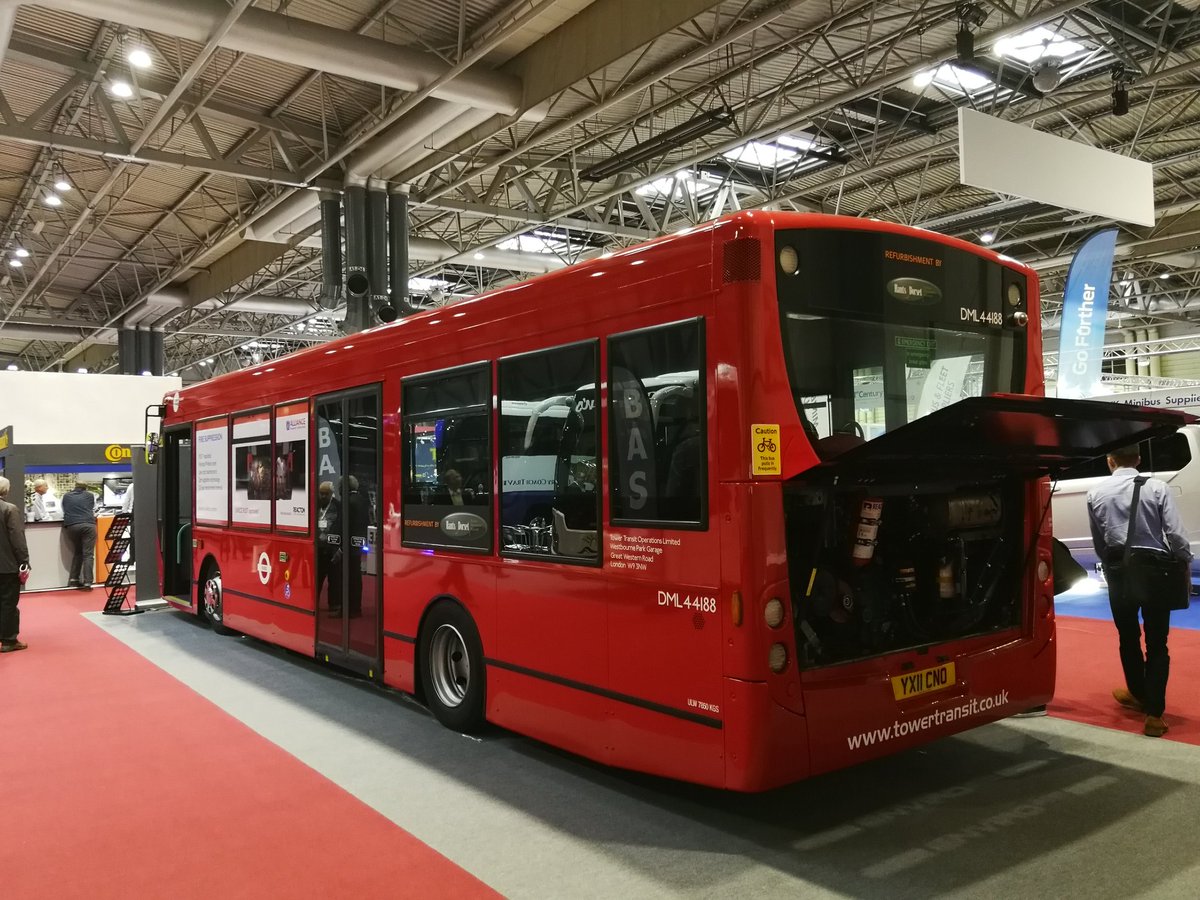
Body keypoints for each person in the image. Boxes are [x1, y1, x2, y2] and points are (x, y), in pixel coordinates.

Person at [1087, 445, 1192, 737]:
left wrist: (1111, 565)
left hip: (1118, 571)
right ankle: (1154, 715)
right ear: (1139, 459)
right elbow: (1174, 532)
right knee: (1158, 643)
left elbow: (1099, 542)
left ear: (1110, 461)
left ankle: (1138, 692)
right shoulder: (1157, 488)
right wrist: (1184, 560)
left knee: (1127, 636)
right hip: (1155, 571)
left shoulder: (1095, 493)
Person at [0, 476, 30, 652]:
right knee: (8, 603)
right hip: (7, 565)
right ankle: (9, 640)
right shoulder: (9, 509)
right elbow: (17, 539)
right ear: (6, 490)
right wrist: (24, 562)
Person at [61, 479, 97, 591]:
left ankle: (73, 579)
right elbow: (93, 508)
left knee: (78, 552)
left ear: (75, 486)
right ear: (85, 487)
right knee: (88, 554)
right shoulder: (91, 496)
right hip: (88, 525)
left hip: (71, 526)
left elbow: (63, 509)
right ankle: (88, 582)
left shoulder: (66, 496)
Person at [315, 481, 342, 615]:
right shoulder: (316, 505)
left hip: (332, 548)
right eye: (321, 493)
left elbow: (339, 525)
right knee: (317, 578)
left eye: (326, 494)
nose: (323, 496)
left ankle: (334, 604)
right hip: (319, 547)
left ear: (331, 494)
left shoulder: (338, 505)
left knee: (334, 578)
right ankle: (313, 602)